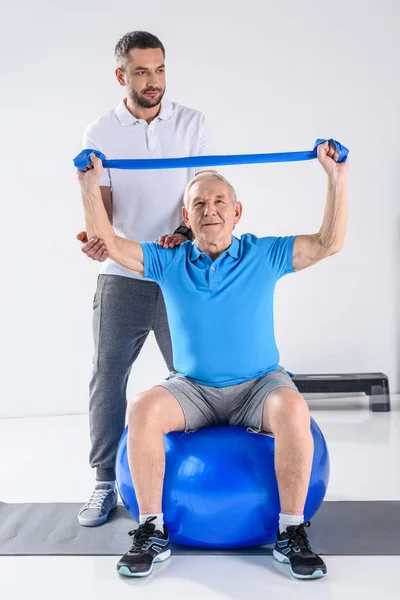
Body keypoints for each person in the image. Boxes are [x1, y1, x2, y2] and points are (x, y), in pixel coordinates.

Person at [77, 140, 348, 579]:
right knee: (143, 407)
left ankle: (291, 532)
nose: (210, 210)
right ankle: (151, 531)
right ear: (186, 217)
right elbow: (108, 244)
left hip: (260, 383)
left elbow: (328, 242)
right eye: (199, 203)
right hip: (193, 388)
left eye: (220, 201)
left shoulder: (264, 253)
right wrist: (89, 185)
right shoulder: (167, 260)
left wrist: (336, 178)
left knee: (294, 408)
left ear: (237, 212)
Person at [77, 31, 213, 527]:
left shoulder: (192, 123)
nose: (152, 81)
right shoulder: (100, 132)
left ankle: (198, 475)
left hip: (181, 269)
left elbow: (203, 193)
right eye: (141, 72)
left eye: (158, 70)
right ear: (122, 76)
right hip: (124, 272)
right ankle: (103, 482)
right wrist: (98, 237)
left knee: (197, 376)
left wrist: (181, 233)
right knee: (107, 375)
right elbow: (102, 210)